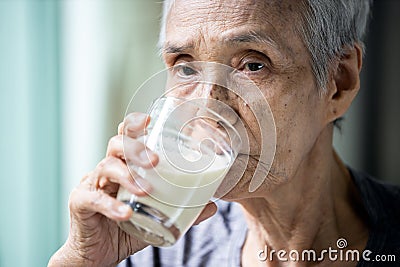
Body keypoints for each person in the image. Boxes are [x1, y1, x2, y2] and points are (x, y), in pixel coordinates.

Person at [49, 0, 400, 266]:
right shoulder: (156, 249)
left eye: (253, 64)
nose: (205, 107)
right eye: (185, 66)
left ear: (339, 83)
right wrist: (83, 258)